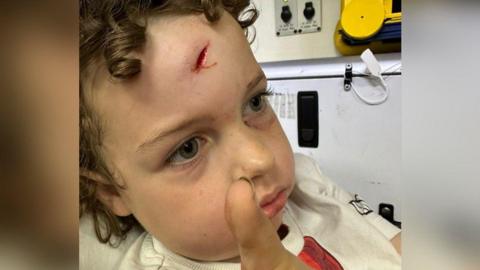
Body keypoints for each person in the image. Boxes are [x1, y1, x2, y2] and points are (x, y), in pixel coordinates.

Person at [80, 0, 401, 269]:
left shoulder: (306, 179)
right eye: (187, 148)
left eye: (254, 102)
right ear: (111, 191)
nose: (260, 157)